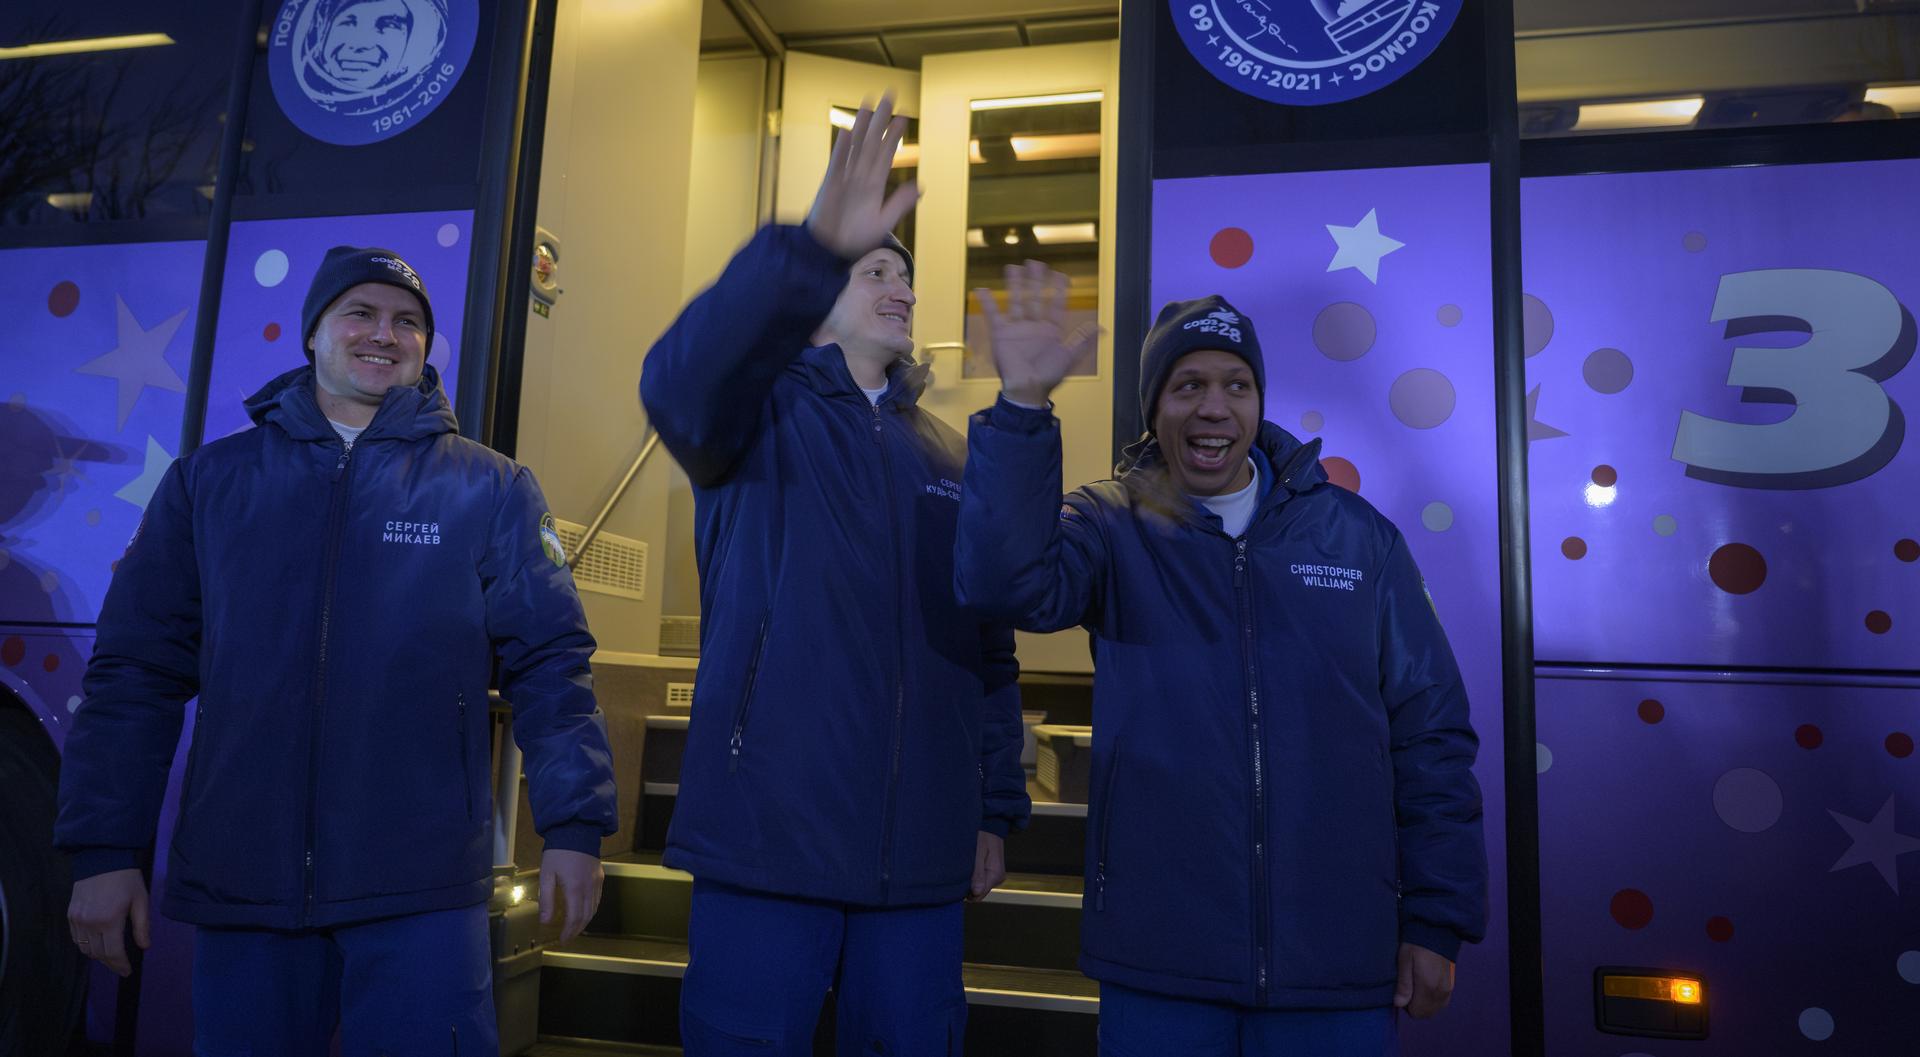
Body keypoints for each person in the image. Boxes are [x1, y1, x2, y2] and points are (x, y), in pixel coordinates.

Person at [57, 245, 618, 1057]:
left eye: (408, 322)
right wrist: (105, 852)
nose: (383, 334)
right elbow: (134, 675)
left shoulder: (491, 489)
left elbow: (552, 665)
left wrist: (574, 825)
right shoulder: (209, 483)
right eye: (359, 312)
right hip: (244, 886)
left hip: (422, 893)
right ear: (314, 332)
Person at [955, 264, 1486, 1055]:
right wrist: (1024, 408)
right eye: (1188, 385)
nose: (1213, 406)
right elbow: (1003, 586)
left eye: (1237, 385)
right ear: (1155, 408)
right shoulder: (1111, 524)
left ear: (1260, 403)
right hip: (1161, 961)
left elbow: (1430, 731)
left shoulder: (1355, 537)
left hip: (1335, 964)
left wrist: (1437, 915)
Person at [639, 95, 1030, 1056]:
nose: (898, 284)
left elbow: (990, 643)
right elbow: (676, 375)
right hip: (767, 842)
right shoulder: (746, 414)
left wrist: (992, 805)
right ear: (811, 296)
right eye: (870, 268)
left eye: (903, 271)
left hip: (921, 862)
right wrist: (811, 243)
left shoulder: (949, 454)